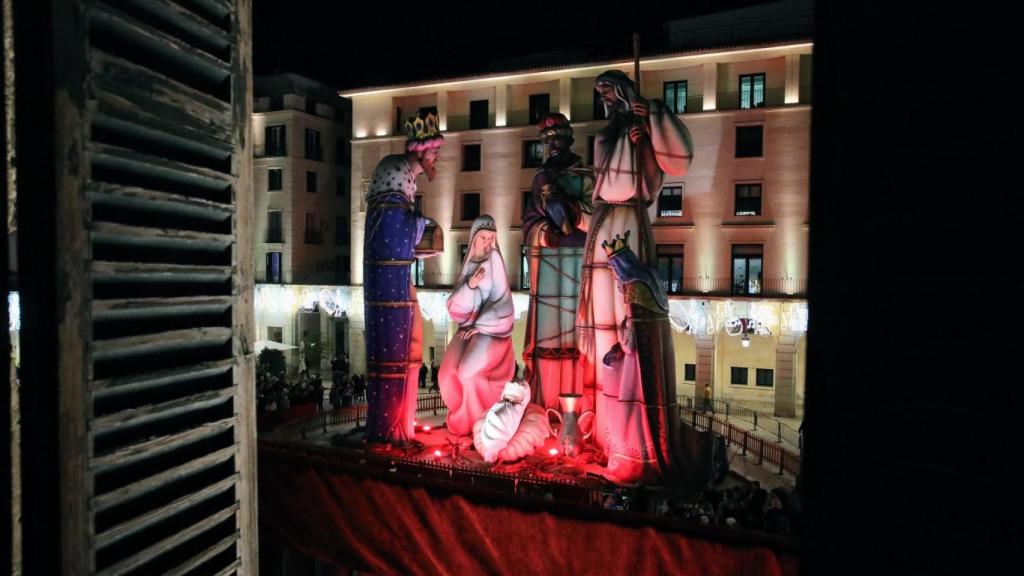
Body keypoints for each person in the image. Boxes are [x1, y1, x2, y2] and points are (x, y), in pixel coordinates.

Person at [576, 70, 694, 483]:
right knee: (600, 321)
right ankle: (602, 427)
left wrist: (653, 121)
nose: (605, 100)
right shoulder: (604, 137)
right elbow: (601, 177)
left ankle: (627, 437)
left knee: (626, 314)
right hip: (603, 222)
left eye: (610, 93)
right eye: (601, 95)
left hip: (629, 220)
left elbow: (667, 168)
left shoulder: (641, 128)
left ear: (624, 94)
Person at [362, 110, 443, 444]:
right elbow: (396, 234)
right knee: (399, 350)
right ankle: (393, 427)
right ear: (420, 151)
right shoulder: (396, 177)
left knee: (409, 347)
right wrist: (423, 224)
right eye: (434, 152)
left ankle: (400, 425)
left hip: (394, 280)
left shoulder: (402, 179)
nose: (436, 158)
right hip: (390, 286)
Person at [522, 113, 594, 411]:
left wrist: (574, 214)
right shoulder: (540, 179)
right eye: (545, 141)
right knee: (550, 335)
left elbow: (598, 217)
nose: (551, 146)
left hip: (579, 258)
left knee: (580, 329)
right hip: (549, 261)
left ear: (568, 139)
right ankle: (546, 399)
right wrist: (544, 233)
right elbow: (528, 221)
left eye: (556, 139)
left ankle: (579, 402)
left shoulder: (586, 175)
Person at [437, 215, 515, 437]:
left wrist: (481, 325)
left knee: (467, 372)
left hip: (491, 330)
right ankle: (460, 416)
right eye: (483, 237)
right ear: (474, 238)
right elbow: (455, 304)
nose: (487, 242)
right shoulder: (469, 263)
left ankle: (480, 421)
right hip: (469, 327)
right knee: (446, 373)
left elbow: (503, 299)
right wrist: (470, 286)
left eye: (491, 238)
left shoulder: (495, 260)